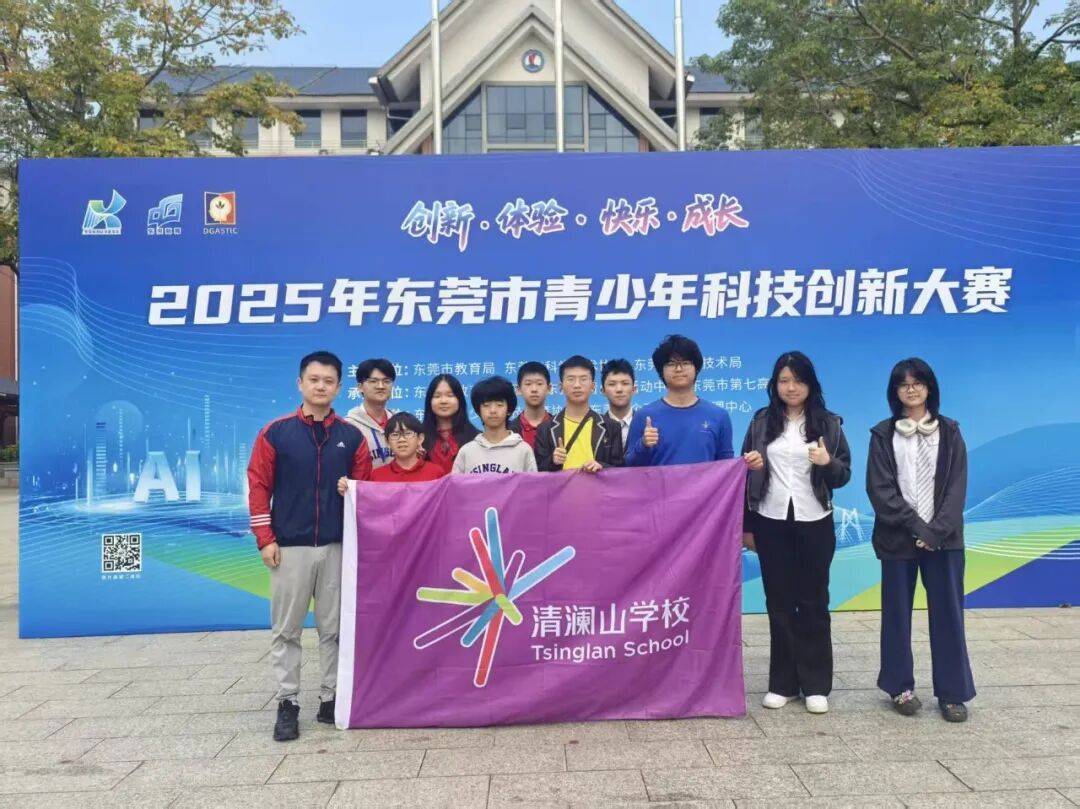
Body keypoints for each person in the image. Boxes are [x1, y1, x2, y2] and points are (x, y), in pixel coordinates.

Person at [247, 350, 372, 742]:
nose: (321, 386)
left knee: (334, 629)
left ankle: (330, 698)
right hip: (289, 548)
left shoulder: (352, 437)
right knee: (287, 630)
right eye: (314, 380)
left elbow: (365, 491)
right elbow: (258, 486)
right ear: (300, 383)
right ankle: (288, 702)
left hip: (337, 547)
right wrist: (265, 539)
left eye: (328, 381)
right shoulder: (276, 433)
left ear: (339, 387)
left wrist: (351, 492)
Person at [741, 351, 850, 715]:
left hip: (814, 519)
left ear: (810, 385)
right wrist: (747, 522)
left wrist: (827, 462)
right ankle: (783, 683)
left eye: (798, 381)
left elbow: (843, 474)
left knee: (814, 601)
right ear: (774, 385)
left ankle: (816, 684)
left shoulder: (829, 423)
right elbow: (743, 475)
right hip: (771, 519)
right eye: (784, 381)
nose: (791, 388)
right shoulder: (761, 422)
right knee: (779, 602)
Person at [867, 358, 974, 723]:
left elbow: (956, 488)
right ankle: (899, 687)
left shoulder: (950, 431)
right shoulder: (883, 434)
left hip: (945, 540)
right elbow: (880, 491)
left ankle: (953, 693)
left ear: (929, 387)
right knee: (896, 616)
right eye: (903, 384)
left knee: (948, 615)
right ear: (894, 391)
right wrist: (918, 528)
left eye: (917, 383)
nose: (911, 389)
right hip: (897, 539)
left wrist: (936, 531)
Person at [625, 334, 734, 467]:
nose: (679, 369)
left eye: (685, 363)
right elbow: (629, 466)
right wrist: (643, 445)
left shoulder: (719, 416)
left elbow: (727, 467)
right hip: (658, 482)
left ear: (696, 368)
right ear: (661, 371)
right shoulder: (644, 416)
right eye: (671, 364)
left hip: (706, 483)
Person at [534, 355, 623, 473]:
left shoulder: (611, 427)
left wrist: (602, 466)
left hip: (597, 486)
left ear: (593, 386)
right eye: (571, 379)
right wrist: (553, 461)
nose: (577, 385)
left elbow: (620, 470)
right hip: (561, 486)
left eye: (583, 379)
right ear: (561, 386)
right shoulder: (545, 429)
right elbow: (537, 472)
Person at [452, 376, 538, 474]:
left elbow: (533, 483)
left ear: (509, 409)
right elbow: (455, 483)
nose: (493, 410)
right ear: (478, 411)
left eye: (499, 405)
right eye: (486, 405)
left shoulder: (523, 450)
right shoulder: (467, 452)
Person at [338, 412, 444, 490]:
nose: (401, 440)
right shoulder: (377, 476)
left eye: (408, 434)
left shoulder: (436, 473)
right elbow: (367, 504)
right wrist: (348, 489)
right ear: (387, 441)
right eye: (395, 435)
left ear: (420, 439)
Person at [422, 374, 479, 476]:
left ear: (459, 400)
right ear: (429, 401)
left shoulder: (476, 438)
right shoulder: (418, 438)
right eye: (437, 396)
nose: (443, 401)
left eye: (450, 395)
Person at [345, 358, 396, 469]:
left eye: (386, 381)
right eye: (373, 381)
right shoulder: (349, 426)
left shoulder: (400, 423)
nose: (381, 386)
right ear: (360, 387)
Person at [509, 361, 553, 449]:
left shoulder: (559, 426)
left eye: (539, 384)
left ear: (549, 388)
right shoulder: (508, 430)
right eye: (528, 384)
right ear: (518, 390)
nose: (534, 389)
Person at [601, 358, 637, 453]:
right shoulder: (597, 427)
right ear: (603, 391)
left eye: (625, 383)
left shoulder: (645, 424)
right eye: (612, 384)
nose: (619, 389)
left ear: (634, 389)